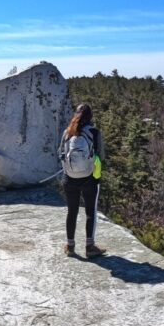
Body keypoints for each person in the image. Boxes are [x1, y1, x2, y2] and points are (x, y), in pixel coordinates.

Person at [58, 103, 106, 258]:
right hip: (89, 179)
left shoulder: (67, 132)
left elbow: (60, 153)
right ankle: (90, 247)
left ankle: (70, 246)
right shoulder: (94, 132)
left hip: (69, 178)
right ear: (90, 116)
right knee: (90, 211)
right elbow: (101, 155)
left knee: (72, 211)